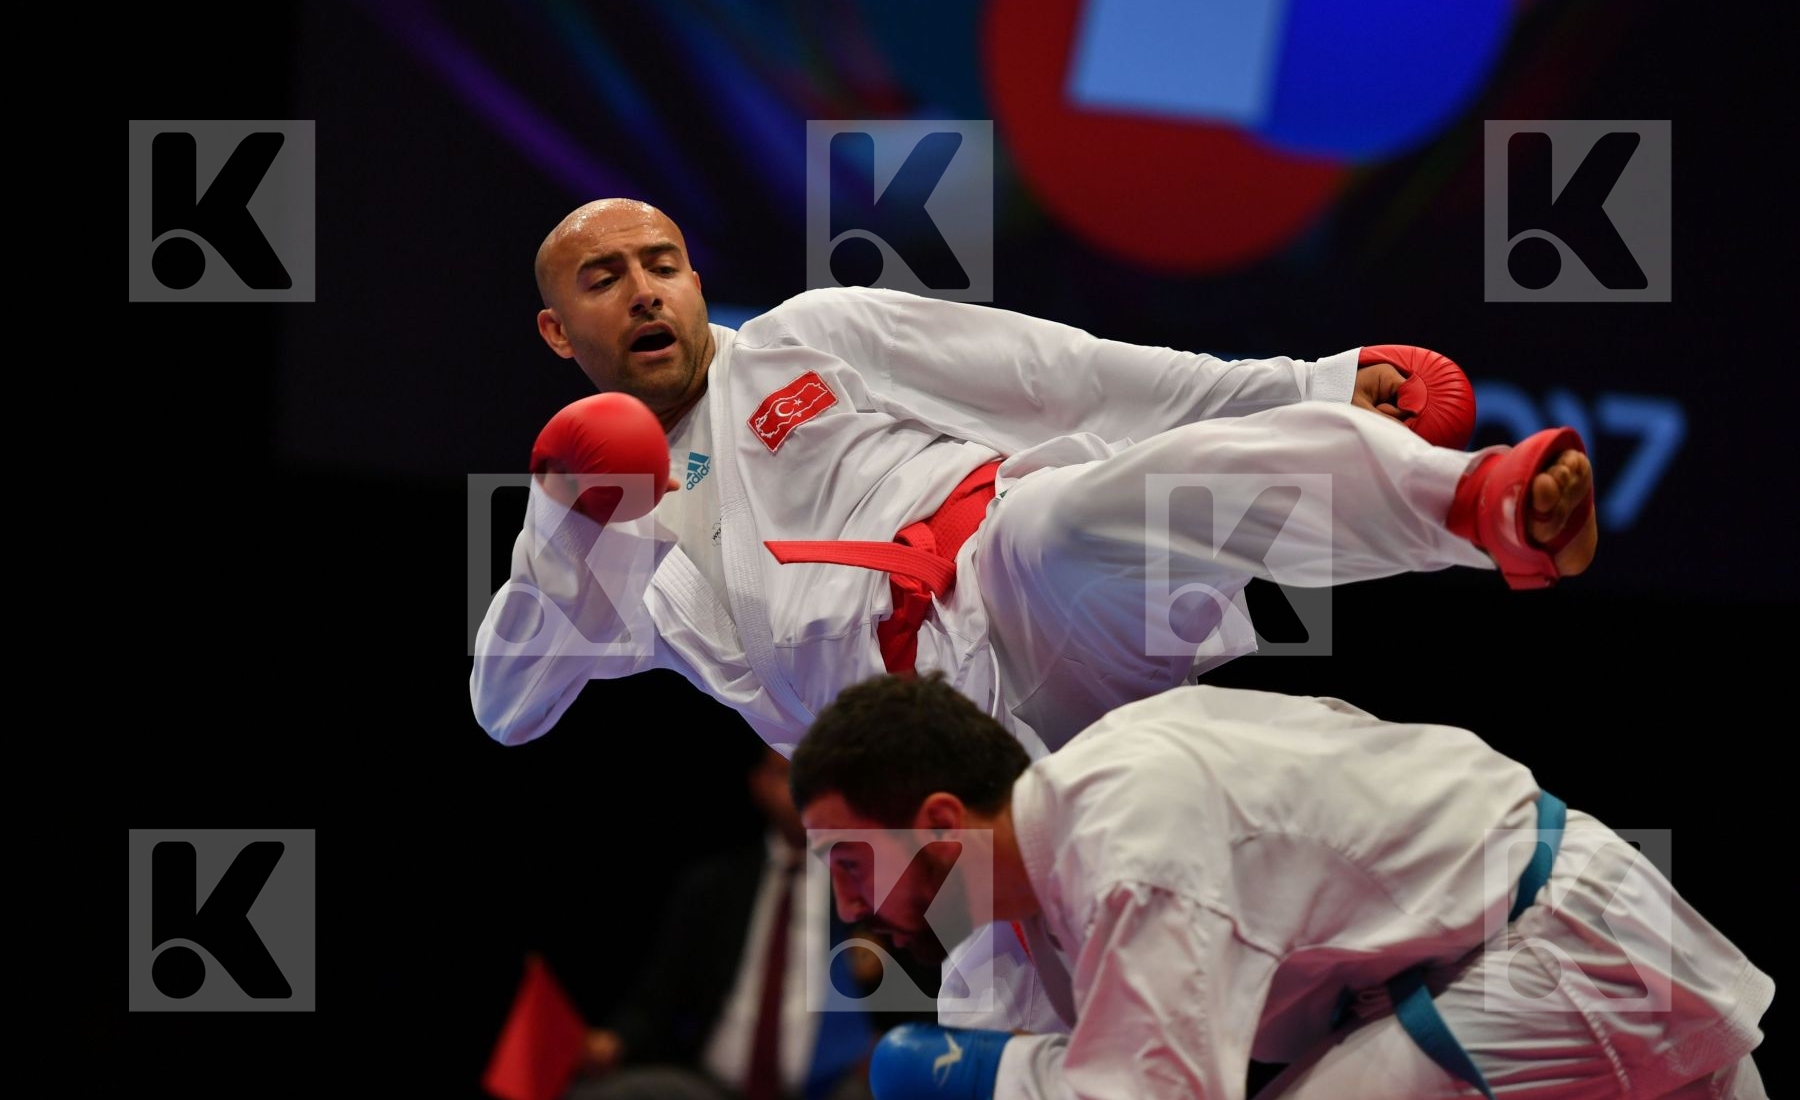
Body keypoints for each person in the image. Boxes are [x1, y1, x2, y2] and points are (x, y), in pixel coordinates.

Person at [471, 198, 1599, 757]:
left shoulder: (807, 336)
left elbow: (1074, 380)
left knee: (1085, 515)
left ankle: (1474, 504)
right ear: (556, 331)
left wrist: (1311, 383)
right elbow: (507, 712)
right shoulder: (588, 522)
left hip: (1002, 583)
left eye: (663, 264)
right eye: (604, 278)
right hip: (919, 764)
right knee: (1042, 1032)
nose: (645, 290)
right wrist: (573, 521)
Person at [787, 671, 1792, 1100]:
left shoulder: (1126, 832)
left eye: (849, 861)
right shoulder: (1042, 903)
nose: (846, 906)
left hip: (1549, 956)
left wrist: (979, 1073)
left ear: (940, 825)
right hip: (1539, 956)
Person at [553, 747, 932, 1100]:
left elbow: (921, 994)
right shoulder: (713, 886)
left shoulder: (871, 889)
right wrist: (615, 1042)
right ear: (759, 785)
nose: (803, 792)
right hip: (715, 1091)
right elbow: (658, 998)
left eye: (818, 778)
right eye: (786, 774)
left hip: (823, 1096)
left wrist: (888, 1045)